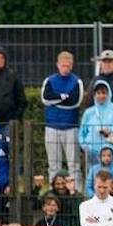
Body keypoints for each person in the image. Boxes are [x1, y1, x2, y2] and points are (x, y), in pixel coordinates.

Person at [40, 51, 85, 183]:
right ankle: (54, 192)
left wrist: (56, 99)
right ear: (57, 65)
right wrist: (63, 97)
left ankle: (75, 192)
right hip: (51, 126)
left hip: (70, 127)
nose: (65, 69)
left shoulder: (77, 82)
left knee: (74, 164)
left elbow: (74, 102)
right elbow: (45, 98)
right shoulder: (50, 80)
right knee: (53, 164)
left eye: (67, 66)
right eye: (62, 65)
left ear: (71, 66)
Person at [78, 79, 113, 174]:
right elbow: (82, 133)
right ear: (95, 95)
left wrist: (111, 130)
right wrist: (85, 146)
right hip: (92, 152)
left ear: (109, 94)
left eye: (104, 93)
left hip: (112, 152)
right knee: (93, 179)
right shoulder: (89, 112)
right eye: (98, 93)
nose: (101, 96)